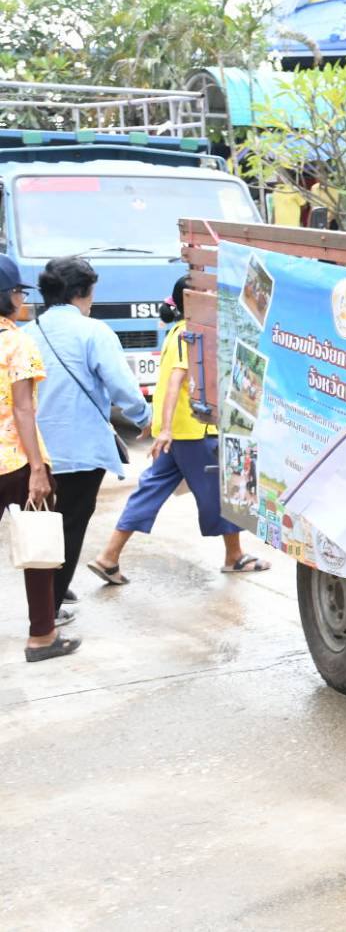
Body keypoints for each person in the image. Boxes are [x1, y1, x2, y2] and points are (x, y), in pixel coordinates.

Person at [87, 277, 270, 584]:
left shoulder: (175, 332)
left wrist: (161, 426)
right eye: (208, 295)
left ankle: (108, 557)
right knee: (222, 491)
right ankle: (234, 556)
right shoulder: (191, 334)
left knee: (149, 491)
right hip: (193, 431)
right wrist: (166, 429)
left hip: (176, 434)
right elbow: (175, 382)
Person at [27, 257, 153, 614]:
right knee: (70, 524)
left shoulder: (26, 334)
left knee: (41, 524)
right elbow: (121, 385)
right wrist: (144, 417)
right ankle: (48, 611)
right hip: (80, 449)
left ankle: (51, 589)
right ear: (81, 292)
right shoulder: (94, 332)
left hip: (34, 452)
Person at [0, 257, 78, 661]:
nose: (22, 300)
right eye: (18, 292)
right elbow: (23, 409)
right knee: (39, 547)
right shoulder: (17, 342)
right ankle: (42, 637)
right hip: (16, 460)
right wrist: (36, 469)